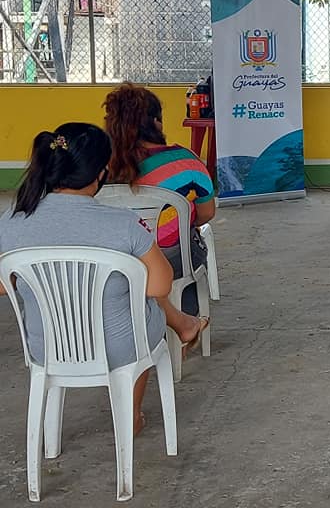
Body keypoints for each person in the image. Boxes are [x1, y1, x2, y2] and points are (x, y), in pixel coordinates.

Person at [0, 123, 207, 436]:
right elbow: (160, 285)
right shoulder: (123, 224)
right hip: (118, 348)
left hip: (47, 347)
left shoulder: (12, 220)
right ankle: (131, 416)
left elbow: (3, 286)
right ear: (100, 174)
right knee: (141, 302)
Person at [104, 82, 216, 320]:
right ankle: (185, 316)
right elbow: (207, 213)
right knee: (192, 240)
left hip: (115, 261)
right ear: (156, 123)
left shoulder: (101, 165)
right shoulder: (186, 161)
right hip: (172, 260)